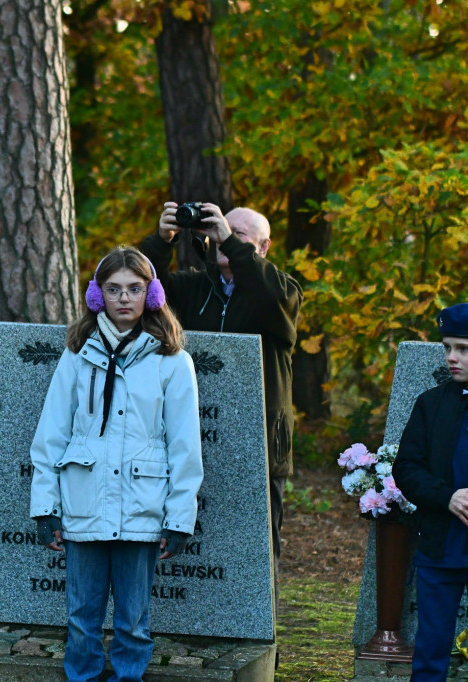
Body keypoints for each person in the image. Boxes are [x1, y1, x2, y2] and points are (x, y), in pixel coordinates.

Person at [29, 246, 203, 682]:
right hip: (84, 503)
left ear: (152, 293)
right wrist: (45, 507)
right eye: (113, 289)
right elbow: (51, 435)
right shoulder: (77, 355)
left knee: (133, 623)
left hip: (141, 509)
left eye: (135, 288)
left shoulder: (173, 361)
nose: (124, 298)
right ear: (96, 296)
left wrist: (179, 517)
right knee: (81, 619)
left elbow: (185, 446)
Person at [140, 202, 302, 602]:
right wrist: (161, 242)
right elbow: (139, 291)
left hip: (259, 442)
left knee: (258, 547)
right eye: (221, 229)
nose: (225, 235)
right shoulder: (192, 286)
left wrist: (229, 238)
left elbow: (271, 298)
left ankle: (259, 638)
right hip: (193, 433)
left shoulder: (281, 290)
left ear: (262, 248)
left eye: (239, 233)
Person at [394, 303, 468, 681]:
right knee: (430, 650)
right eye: (447, 348)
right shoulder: (431, 403)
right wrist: (447, 497)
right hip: (440, 547)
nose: (451, 358)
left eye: (463, 349)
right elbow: (406, 467)